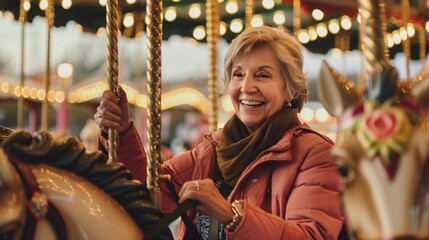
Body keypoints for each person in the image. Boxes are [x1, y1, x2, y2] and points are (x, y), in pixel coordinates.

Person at [94, 26, 344, 239]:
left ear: (290, 89)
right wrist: (122, 132)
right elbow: (149, 194)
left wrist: (230, 214)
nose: (247, 87)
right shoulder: (214, 147)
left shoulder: (315, 154)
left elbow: (312, 235)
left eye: (263, 75)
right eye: (238, 74)